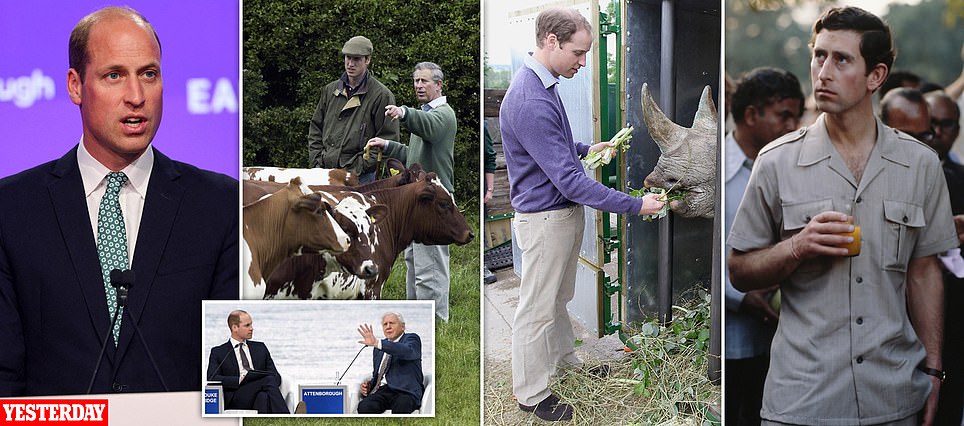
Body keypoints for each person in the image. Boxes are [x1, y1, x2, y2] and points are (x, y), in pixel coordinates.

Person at [728, 7, 957, 425]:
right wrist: (796, 246)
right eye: (819, 55)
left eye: (842, 59)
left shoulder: (921, 165)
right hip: (802, 400)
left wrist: (934, 369)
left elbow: (924, 271)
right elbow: (739, 271)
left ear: (876, 76)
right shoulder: (776, 161)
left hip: (894, 397)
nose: (823, 71)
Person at [0, 6, 237, 396]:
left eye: (149, 75)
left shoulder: (221, 206)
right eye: (114, 76)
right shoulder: (12, 208)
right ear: (76, 86)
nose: (136, 96)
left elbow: (224, 370)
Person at [499, 7, 664, 421]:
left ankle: (565, 364)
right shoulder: (530, 98)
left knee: (557, 299)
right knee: (536, 309)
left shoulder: (544, 84)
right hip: (546, 220)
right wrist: (636, 204)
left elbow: (552, 146)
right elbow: (570, 183)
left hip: (557, 216)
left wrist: (588, 148)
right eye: (579, 52)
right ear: (551, 41)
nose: (583, 62)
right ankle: (531, 393)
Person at [724, 67, 804, 426]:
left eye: (797, 116)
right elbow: (698, 255)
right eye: (784, 115)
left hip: (780, 344)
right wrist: (741, 297)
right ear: (752, 114)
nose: (793, 126)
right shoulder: (714, 171)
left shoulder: (795, 170)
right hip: (725, 343)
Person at [366, 62, 456, 321]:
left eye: (424, 81)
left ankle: (437, 319)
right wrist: (388, 145)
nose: (418, 85)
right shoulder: (425, 114)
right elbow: (412, 154)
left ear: (438, 85)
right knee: (414, 261)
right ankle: (417, 316)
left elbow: (428, 126)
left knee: (432, 265)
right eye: (416, 81)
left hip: (436, 202)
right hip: (418, 200)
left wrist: (404, 112)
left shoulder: (443, 115)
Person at [923, 91, 964, 426]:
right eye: (929, 124)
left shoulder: (961, 179)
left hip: (956, 312)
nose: (935, 132)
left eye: (945, 124)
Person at [308, 35, 399, 183]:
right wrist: (317, 161)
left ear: (367, 60)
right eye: (348, 58)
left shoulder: (381, 96)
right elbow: (315, 128)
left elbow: (387, 139)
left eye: (356, 59)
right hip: (325, 173)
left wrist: (358, 168)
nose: (350, 64)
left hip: (359, 177)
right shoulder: (330, 90)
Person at [206, 310, 288, 414]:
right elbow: (211, 377)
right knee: (268, 380)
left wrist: (259, 381)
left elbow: (276, 376)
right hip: (236, 396)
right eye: (247, 325)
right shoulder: (219, 352)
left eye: (251, 324)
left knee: (263, 397)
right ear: (234, 328)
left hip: (259, 392)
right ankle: (288, 416)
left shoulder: (260, 348)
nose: (251, 328)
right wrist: (239, 380)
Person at [356, 312, 424, 414]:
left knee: (402, 405)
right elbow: (378, 373)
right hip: (383, 391)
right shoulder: (378, 348)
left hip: (406, 391)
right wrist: (369, 385)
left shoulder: (412, 339)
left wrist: (377, 343)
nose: (388, 327)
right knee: (365, 406)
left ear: (403, 326)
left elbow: (407, 352)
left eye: (391, 323)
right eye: (385, 324)